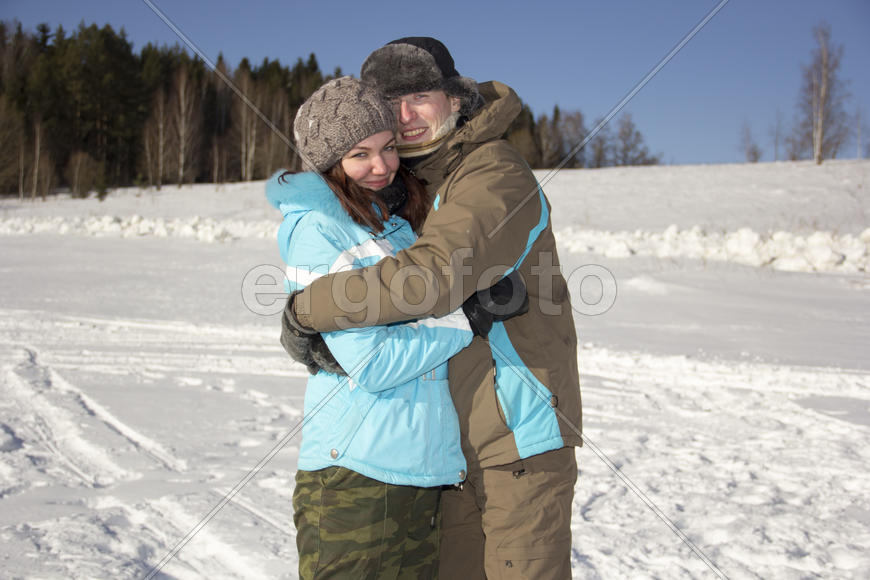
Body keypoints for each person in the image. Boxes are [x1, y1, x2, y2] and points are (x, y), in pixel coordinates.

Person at [281, 38, 582, 579]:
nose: (404, 116)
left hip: (515, 439)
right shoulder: (409, 189)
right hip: (446, 453)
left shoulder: (493, 172)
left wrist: (311, 309)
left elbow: (433, 276)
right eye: (390, 104)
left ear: (456, 99)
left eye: (419, 97)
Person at [267, 76, 482, 579]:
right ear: (329, 162)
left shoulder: (395, 225)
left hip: (419, 471)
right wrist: (464, 319)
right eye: (360, 154)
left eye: (388, 148)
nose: (382, 166)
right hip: (356, 475)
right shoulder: (321, 230)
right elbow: (374, 362)